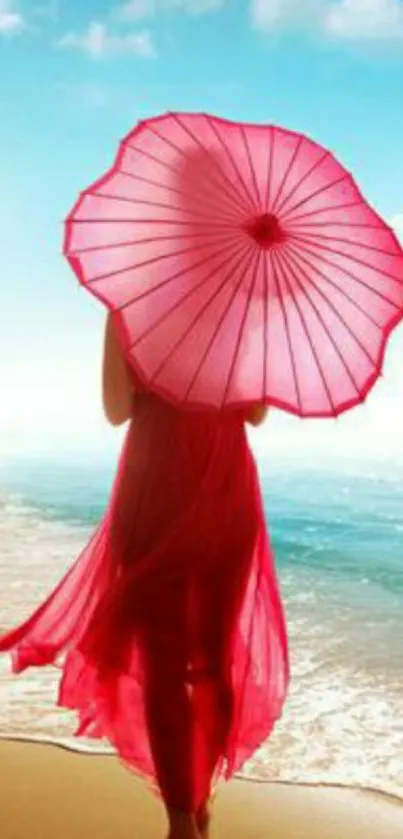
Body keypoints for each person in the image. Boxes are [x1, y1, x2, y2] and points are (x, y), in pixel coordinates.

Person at [0, 313, 289, 839]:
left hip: (155, 482)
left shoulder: (133, 304)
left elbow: (117, 411)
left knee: (161, 663)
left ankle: (181, 822)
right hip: (225, 487)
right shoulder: (242, 306)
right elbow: (257, 413)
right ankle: (200, 802)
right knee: (214, 658)